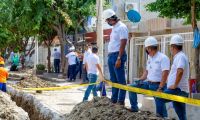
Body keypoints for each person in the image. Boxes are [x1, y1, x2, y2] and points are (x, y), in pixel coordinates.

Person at [128, 37, 170, 118]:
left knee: (159, 103)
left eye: (146, 48)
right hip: (148, 83)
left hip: (158, 85)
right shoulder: (150, 57)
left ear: (149, 48)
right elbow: (147, 71)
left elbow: (165, 74)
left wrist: (160, 88)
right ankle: (134, 108)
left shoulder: (163, 58)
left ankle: (163, 117)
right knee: (131, 87)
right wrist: (140, 80)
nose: (146, 50)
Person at [158, 35, 189, 120]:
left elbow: (180, 71)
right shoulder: (180, 56)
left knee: (159, 98)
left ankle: (161, 117)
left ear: (173, 46)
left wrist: (175, 85)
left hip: (177, 90)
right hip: (180, 90)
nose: (170, 49)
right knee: (181, 114)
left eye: (171, 47)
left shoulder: (180, 57)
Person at [103, 9, 128, 105]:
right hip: (111, 55)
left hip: (117, 55)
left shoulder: (121, 27)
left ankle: (121, 101)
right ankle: (114, 99)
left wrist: (119, 58)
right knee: (114, 79)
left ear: (112, 18)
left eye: (107, 20)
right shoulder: (114, 28)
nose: (107, 22)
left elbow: (123, 43)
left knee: (120, 80)